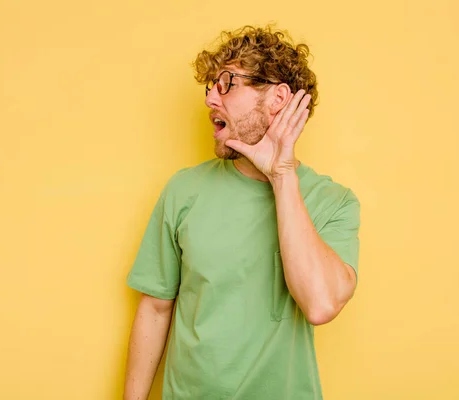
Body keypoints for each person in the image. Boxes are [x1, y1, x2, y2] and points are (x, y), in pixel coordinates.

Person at [123, 25, 360, 400]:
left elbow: (320, 304)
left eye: (227, 83)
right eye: (209, 87)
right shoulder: (184, 190)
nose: (210, 100)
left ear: (278, 98)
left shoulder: (333, 202)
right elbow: (154, 309)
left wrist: (281, 175)